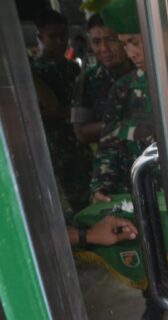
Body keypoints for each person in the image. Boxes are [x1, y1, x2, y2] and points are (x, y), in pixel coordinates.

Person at [95, 0, 168, 320]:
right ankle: (152, 297)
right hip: (141, 192)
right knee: (148, 247)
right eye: (125, 42)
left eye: (137, 42)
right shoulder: (124, 89)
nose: (130, 51)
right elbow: (109, 143)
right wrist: (100, 185)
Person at [32, 8, 93, 213]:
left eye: (62, 36)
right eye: (52, 37)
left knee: (91, 194)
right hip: (55, 148)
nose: (59, 41)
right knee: (70, 203)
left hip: (80, 144)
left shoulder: (72, 68)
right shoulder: (35, 72)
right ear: (40, 37)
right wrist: (75, 112)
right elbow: (46, 112)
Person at [72, 14, 134, 145]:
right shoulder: (87, 80)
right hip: (113, 160)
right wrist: (124, 124)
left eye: (111, 39)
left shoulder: (145, 70)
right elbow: (81, 133)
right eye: (96, 42)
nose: (104, 48)